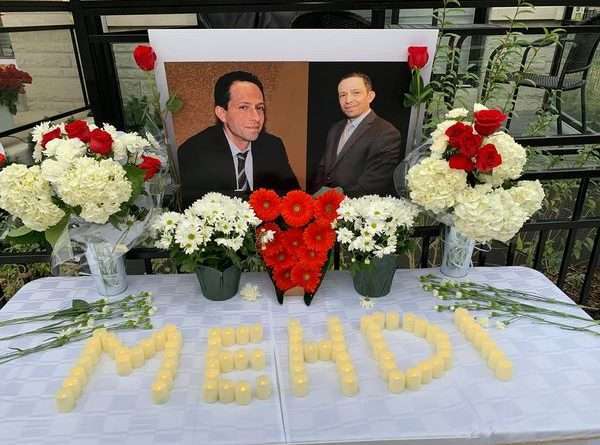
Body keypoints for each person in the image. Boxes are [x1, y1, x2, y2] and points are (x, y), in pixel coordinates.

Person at [178, 70, 299, 208]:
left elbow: (294, 200)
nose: (256, 117)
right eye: (244, 107)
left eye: (259, 108)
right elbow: (191, 211)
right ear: (222, 113)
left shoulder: (273, 147)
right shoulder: (194, 152)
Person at [312, 72, 403, 197]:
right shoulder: (336, 128)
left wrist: (332, 198)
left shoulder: (386, 133)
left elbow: (373, 184)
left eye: (356, 93)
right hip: (325, 204)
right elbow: (323, 169)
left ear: (370, 96)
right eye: (343, 95)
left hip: (356, 206)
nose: (348, 100)